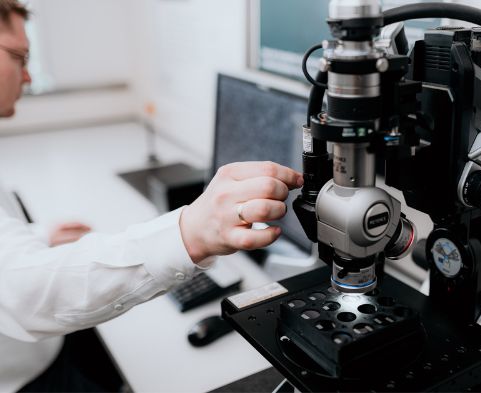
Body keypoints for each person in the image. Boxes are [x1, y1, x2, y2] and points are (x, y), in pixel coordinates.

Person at [0, 1, 303, 391]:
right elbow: (26, 296)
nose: (27, 76)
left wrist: (37, 237)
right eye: (19, 56)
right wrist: (190, 233)